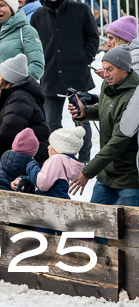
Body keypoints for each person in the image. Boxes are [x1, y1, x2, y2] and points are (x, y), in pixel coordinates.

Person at [30, 0, 99, 164]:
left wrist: (85, 58)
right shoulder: (38, 16)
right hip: (50, 77)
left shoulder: (81, 9)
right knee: (52, 122)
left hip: (77, 75)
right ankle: (61, 159)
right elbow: (34, 45)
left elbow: (93, 37)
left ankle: (84, 161)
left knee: (81, 119)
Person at [69, 46, 139, 206]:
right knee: (95, 222)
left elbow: (117, 143)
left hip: (129, 178)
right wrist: (84, 112)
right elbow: (105, 109)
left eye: (110, 69)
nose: (105, 74)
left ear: (124, 70)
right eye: (104, 68)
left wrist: (87, 172)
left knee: (131, 229)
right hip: (106, 173)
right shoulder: (109, 86)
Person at [13, 127, 85, 198]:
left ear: (59, 148)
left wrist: (31, 166)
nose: (48, 147)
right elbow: (46, 179)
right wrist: (21, 179)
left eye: (51, 145)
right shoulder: (64, 162)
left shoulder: (56, 159)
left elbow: (42, 184)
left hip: (49, 202)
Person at [0, 0, 45, 81]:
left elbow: (37, 66)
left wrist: (15, 85)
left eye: (2, 5)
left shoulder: (26, 31)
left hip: (16, 91)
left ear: (12, 8)